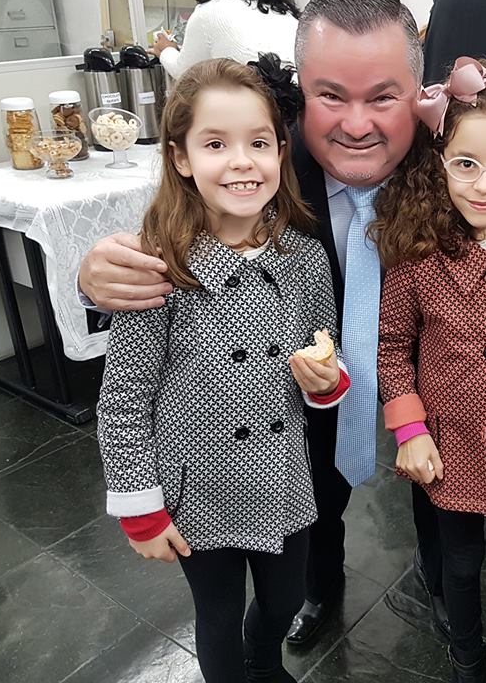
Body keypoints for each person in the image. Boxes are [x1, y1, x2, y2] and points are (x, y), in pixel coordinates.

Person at [77, 0, 486, 649]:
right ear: (300, 90)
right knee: (315, 489)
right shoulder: (263, 163)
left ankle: (441, 579)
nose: (356, 124)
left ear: (420, 93)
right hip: (292, 393)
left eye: (383, 97)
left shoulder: (461, 157)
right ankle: (318, 585)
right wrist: (92, 272)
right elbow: (174, 223)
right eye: (330, 95)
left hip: (446, 386)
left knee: (440, 500)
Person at [95, 56, 350, 683]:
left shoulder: (305, 258)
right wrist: (140, 508)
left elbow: (328, 351)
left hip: (282, 475)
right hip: (197, 484)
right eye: (215, 144)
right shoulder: (160, 267)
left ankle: (263, 661)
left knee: (286, 597)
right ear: (181, 158)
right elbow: (124, 399)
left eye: (259, 143)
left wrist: (327, 383)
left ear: (281, 153)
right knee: (216, 612)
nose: (242, 161)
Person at [373, 57, 486, 683]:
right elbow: (392, 347)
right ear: (440, 162)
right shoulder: (417, 255)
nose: (485, 185)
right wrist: (409, 429)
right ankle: (466, 659)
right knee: (457, 566)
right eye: (466, 164)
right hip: (448, 444)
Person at [152, 0, 299, 80]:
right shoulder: (284, 10)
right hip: (296, 102)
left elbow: (185, 73)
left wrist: (165, 50)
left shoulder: (209, 11)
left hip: (251, 102)